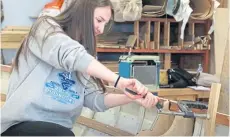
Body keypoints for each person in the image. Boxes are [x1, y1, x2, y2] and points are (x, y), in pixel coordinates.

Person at [1, 0, 159, 136]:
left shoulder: (85, 59)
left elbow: (94, 99)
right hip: (19, 125)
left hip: (60, 130)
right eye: (99, 20)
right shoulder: (45, 28)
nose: (101, 29)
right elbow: (72, 55)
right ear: (82, 12)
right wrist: (119, 81)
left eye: (105, 24)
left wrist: (131, 97)